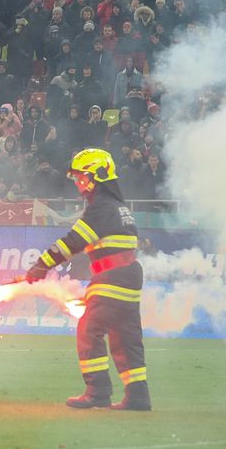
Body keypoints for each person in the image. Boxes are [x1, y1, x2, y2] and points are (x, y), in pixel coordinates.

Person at [24, 147, 151, 411]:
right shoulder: (120, 209)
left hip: (112, 276)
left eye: (83, 178)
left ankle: (97, 392)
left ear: (100, 175)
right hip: (126, 277)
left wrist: (40, 266)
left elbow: (72, 242)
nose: (80, 185)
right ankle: (138, 395)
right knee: (125, 337)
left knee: (88, 330)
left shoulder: (101, 208)